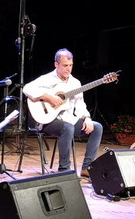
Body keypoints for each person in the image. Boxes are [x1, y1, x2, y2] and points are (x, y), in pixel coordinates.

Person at [22, 48, 104, 179]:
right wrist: (48, 97)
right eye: (65, 65)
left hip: (68, 119)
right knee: (68, 128)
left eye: (71, 65)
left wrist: (87, 118)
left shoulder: (75, 83)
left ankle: (87, 168)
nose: (68, 69)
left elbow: (80, 105)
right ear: (56, 64)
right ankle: (64, 170)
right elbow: (27, 89)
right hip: (48, 120)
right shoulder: (46, 79)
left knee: (97, 127)